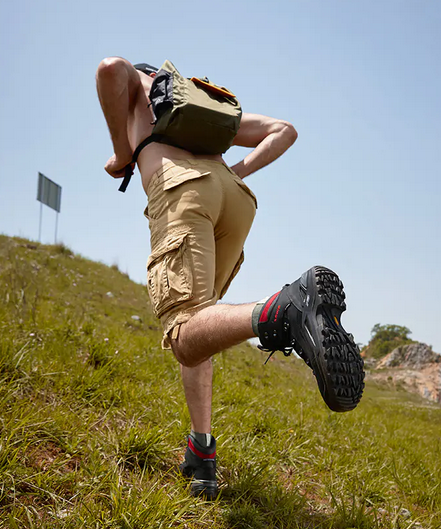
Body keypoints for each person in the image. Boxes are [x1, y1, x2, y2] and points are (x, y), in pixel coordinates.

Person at [96, 57, 365, 499]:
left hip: (183, 190)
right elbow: (284, 130)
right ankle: (202, 453)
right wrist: (236, 172)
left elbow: (110, 69)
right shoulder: (194, 107)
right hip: (235, 199)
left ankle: (286, 310)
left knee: (183, 334)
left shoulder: (140, 89)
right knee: (202, 328)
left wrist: (123, 155)